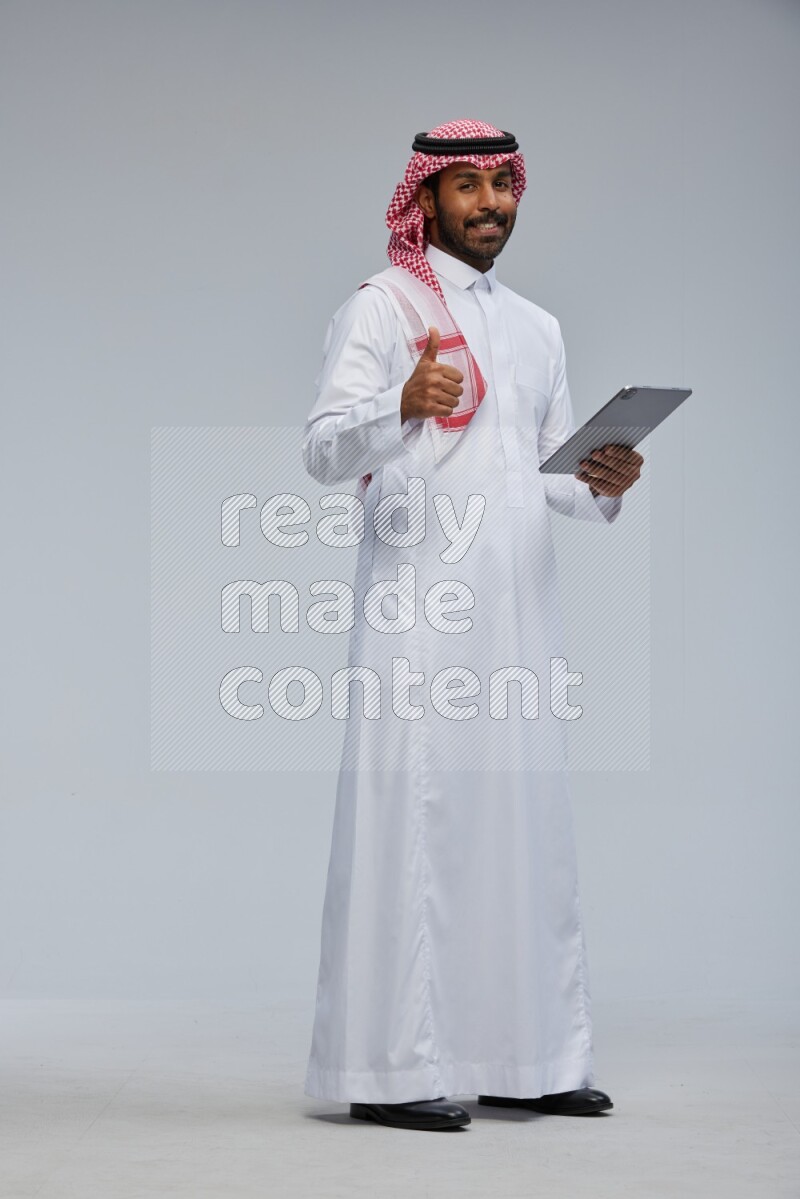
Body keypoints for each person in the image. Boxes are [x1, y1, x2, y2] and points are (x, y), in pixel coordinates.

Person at [301, 119, 643, 1132]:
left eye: (504, 184)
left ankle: (530, 1056)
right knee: (415, 829)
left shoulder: (537, 326)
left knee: (522, 834)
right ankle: (392, 1068)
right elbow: (322, 451)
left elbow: (553, 475)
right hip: (417, 617)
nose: (491, 203)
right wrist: (397, 403)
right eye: (468, 186)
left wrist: (603, 478)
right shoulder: (381, 307)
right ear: (427, 198)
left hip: (518, 619)